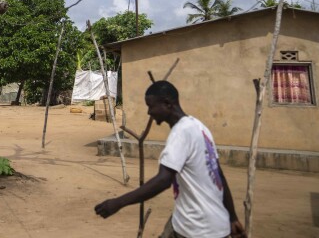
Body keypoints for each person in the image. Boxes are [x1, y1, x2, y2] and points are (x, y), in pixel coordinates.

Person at [94, 81, 246, 238]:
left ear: (167, 103)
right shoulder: (199, 127)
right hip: (198, 220)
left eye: (151, 106)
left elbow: (163, 180)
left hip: (199, 228)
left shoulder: (181, 133)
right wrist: (232, 217)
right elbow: (219, 176)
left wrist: (118, 203)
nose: (149, 112)